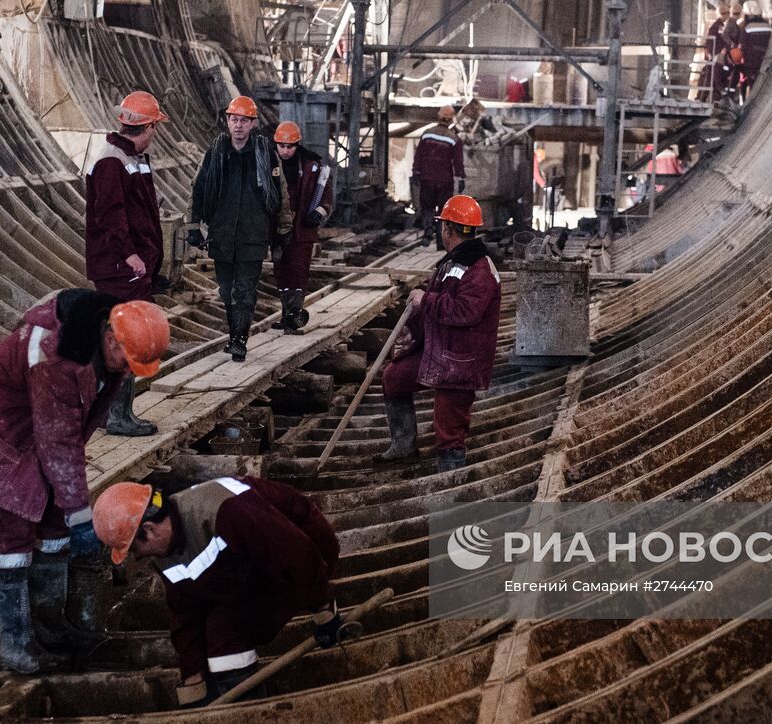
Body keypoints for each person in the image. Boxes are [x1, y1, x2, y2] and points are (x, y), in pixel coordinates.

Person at [0, 294, 170, 674]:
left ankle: (49, 628)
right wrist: (81, 514)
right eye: (128, 363)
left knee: (55, 523)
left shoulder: (104, 340)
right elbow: (58, 442)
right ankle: (17, 645)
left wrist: (70, 511)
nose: (130, 373)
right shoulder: (56, 356)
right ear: (111, 340)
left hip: (38, 429)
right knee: (13, 530)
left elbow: (69, 437)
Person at [93, 477, 359, 707]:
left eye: (134, 550)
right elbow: (184, 612)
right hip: (245, 570)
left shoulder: (225, 511)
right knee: (220, 644)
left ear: (149, 531)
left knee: (226, 633)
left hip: (305, 548)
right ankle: (250, 704)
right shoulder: (165, 550)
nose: (137, 558)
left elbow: (297, 556)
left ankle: (254, 710)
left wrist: (324, 609)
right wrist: (193, 678)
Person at [376, 195, 501, 472]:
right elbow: (441, 301)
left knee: (449, 423)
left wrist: (425, 300)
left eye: (443, 226)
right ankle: (403, 445)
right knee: (394, 377)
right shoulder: (455, 261)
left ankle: (451, 473)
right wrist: (414, 330)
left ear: (447, 228)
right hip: (440, 349)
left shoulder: (478, 268)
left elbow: (464, 312)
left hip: (460, 359)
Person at [84, 90, 168, 437]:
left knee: (127, 337)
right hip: (121, 268)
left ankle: (117, 413)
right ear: (145, 127)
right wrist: (130, 255)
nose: (154, 135)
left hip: (134, 267)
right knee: (128, 339)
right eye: (154, 128)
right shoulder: (111, 161)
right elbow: (110, 215)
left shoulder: (133, 157)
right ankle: (115, 416)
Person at [188, 96, 291, 361]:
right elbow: (198, 189)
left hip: (253, 236)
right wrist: (193, 226)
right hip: (222, 235)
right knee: (226, 291)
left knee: (244, 291)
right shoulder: (215, 152)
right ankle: (234, 335)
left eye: (244, 121)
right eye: (234, 120)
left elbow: (281, 194)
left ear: (253, 123)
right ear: (227, 121)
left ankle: (239, 340)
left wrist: (283, 229)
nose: (238, 126)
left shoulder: (265, 153)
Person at [272, 121, 333, 334]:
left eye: (290, 146)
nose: (285, 150)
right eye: (281, 146)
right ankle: (286, 314)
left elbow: (326, 198)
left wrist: (318, 214)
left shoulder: (312, 166)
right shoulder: (269, 165)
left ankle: (294, 315)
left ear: (297, 145)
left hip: (302, 231)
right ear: (276, 144)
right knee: (281, 272)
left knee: (298, 271)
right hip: (278, 231)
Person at [410, 105, 465, 248]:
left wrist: (415, 171)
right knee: (443, 211)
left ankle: (427, 233)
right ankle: (441, 242)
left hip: (426, 177)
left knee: (427, 207)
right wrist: (461, 178)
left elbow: (419, 155)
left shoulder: (427, 134)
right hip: (444, 180)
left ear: (439, 116)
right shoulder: (454, 139)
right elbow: (458, 162)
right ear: (451, 120)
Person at [735, 0, 772, 100]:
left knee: (747, 82)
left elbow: (741, 47)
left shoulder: (747, 28)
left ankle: (745, 103)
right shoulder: (768, 27)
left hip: (750, 62)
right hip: (764, 60)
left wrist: (736, 61)